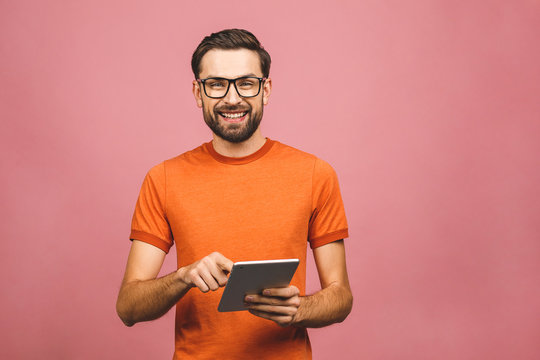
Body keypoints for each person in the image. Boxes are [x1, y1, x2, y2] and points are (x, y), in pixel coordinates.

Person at [116, 28, 353, 359]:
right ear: (198, 93)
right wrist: (183, 277)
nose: (232, 98)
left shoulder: (316, 174)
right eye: (216, 84)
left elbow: (341, 296)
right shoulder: (163, 179)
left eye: (246, 82)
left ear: (265, 89)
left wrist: (300, 309)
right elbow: (128, 307)